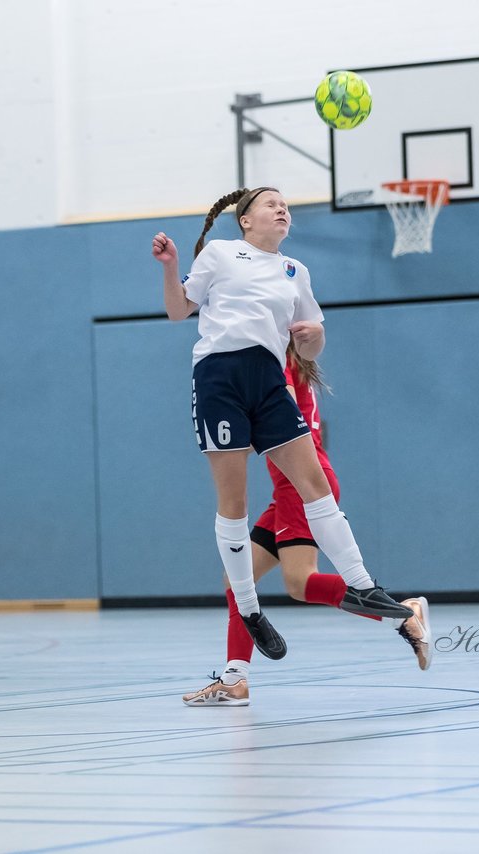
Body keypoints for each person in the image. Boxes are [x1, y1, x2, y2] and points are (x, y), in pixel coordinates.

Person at [151, 186, 422, 662]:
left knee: (314, 483)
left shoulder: (296, 271)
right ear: (246, 221)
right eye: (271, 204)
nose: (282, 210)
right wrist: (172, 267)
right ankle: (252, 612)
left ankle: (362, 585)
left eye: (286, 207)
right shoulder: (220, 253)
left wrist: (317, 335)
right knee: (233, 503)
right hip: (219, 376)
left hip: (269, 377)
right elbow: (178, 311)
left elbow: (309, 351)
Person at [182, 341, 430, 706]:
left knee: (300, 582)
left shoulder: (273, 365)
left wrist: (224, 413)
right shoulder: (289, 361)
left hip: (297, 485)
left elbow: (265, 426)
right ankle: (235, 679)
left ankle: (402, 614)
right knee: (236, 578)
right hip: (290, 485)